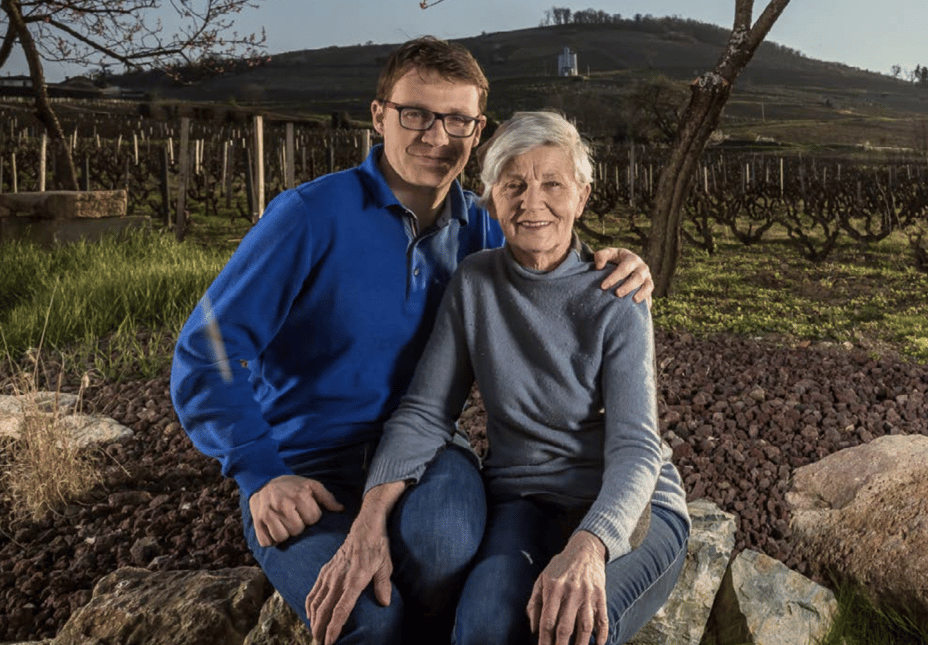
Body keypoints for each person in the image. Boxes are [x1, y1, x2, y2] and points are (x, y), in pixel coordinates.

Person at [170, 38, 654, 645]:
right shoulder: (309, 218)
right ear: (379, 116)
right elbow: (206, 351)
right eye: (415, 114)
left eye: (456, 119)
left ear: (476, 131)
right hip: (305, 463)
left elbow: (544, 229)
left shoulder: (479, 229)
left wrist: (619, 263)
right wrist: (259, 472)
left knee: (445, 549)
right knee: (366, 621)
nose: (435, 135)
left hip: (426, 452)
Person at [307, 111, 689, 645]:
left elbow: (636, 447)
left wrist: (590, 547)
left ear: (581, 195)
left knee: (572, 632)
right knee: (483, 630)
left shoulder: (617, 296)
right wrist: (369, 519)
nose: (533, 201)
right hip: (523, 498)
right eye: (514, 184)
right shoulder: (475, 283)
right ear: (490, 198)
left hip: (626, 505)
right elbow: (425, 412)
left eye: (553, 183)